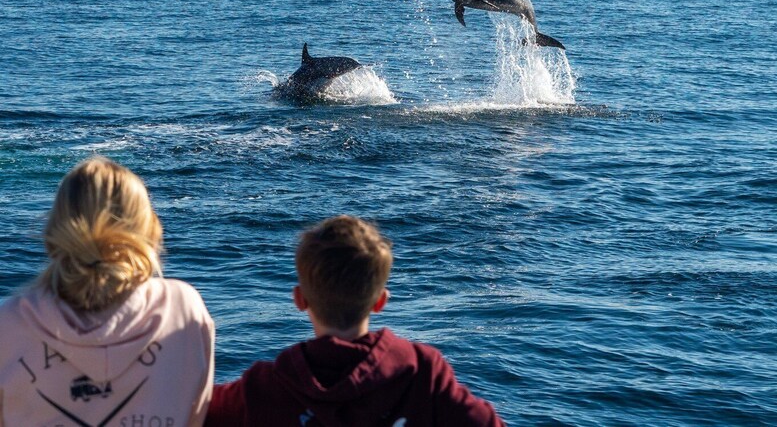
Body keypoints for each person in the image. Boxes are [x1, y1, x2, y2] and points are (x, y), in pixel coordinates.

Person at [206, 215, 504, 426]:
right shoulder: (423, 373)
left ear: (299, 300)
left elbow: (185, 413)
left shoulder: (262, 389)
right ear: (380, 301)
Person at [0, 156, 214, 427]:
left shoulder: (8, 324)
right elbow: (197, 412)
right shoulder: (184, 309)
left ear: (56, 226)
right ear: (147, 227)